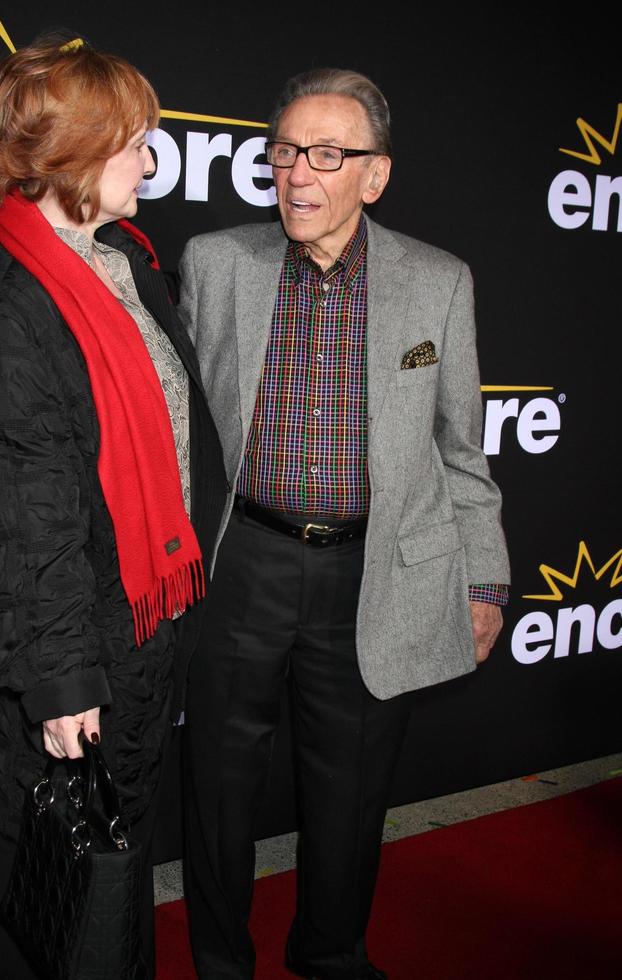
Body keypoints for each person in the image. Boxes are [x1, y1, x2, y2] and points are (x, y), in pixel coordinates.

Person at [177, 67, 510, 980]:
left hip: (375, 574)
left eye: (328, 155)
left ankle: (330, 955)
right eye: (284, 151)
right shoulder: (215, 262)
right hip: (240, 561)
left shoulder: (437, 282)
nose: (298, 174)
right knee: (217, 788)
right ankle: (218, 962)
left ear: (376, 175)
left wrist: (483, 581)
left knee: (351, 794)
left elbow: (460, 450)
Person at [0, 35, 226, 980]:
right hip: (76, 660)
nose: (151, 162)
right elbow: (19, 503)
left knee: (106, 873)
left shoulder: (115, 258)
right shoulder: (12, 302)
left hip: (138, 634)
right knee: (53, 883)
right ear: (71, 151)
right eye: (134, 142)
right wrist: (59, 680)